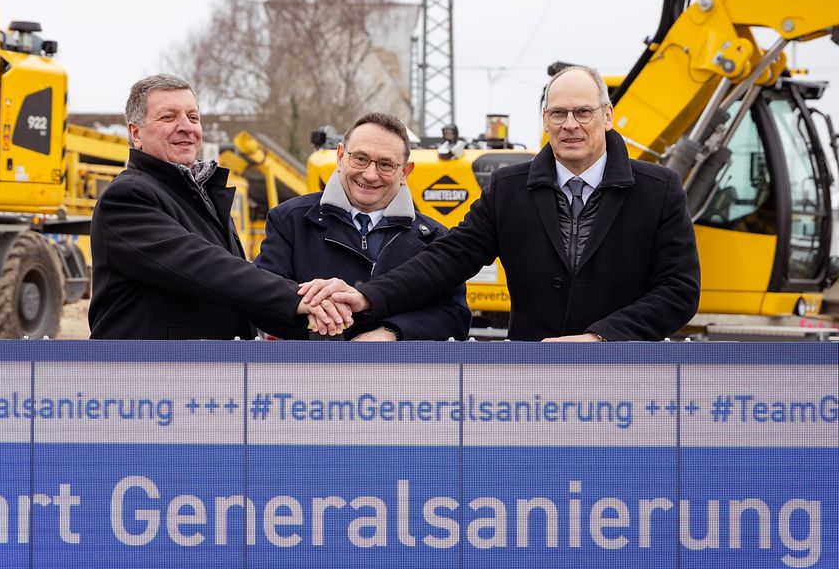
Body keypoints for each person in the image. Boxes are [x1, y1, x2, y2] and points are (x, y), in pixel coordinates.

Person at [300, 66, 700, 341]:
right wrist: (369, 296)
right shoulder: (509, 189)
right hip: (531, 386)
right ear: (544, 119)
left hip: (630, 377)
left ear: (608, 116)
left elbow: (678, 290)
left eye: (583, 112)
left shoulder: (659, 190)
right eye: (558, 113)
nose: (570, 124)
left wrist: (602, 338)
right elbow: (446, 260)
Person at [88, 73, 346, 339]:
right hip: (146, 363)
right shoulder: (127, 197)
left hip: (201, 361)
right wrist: (297, 298)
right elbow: (204, 266)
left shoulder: (202, 194)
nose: (186, 127)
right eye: (168, 117)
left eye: (193, 117)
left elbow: (235, 284)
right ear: (135, 133)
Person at [254, 112, 470, 341]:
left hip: (399, 365)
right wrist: (316, 317)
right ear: (340, 156)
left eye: (385, 164)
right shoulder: (289, 220)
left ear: (405, 172)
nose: (370, 175)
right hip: (306, 363)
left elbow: (454, 317)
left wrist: (393, 332)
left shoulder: (435, 238)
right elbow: (261, 297)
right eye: (360, 158)